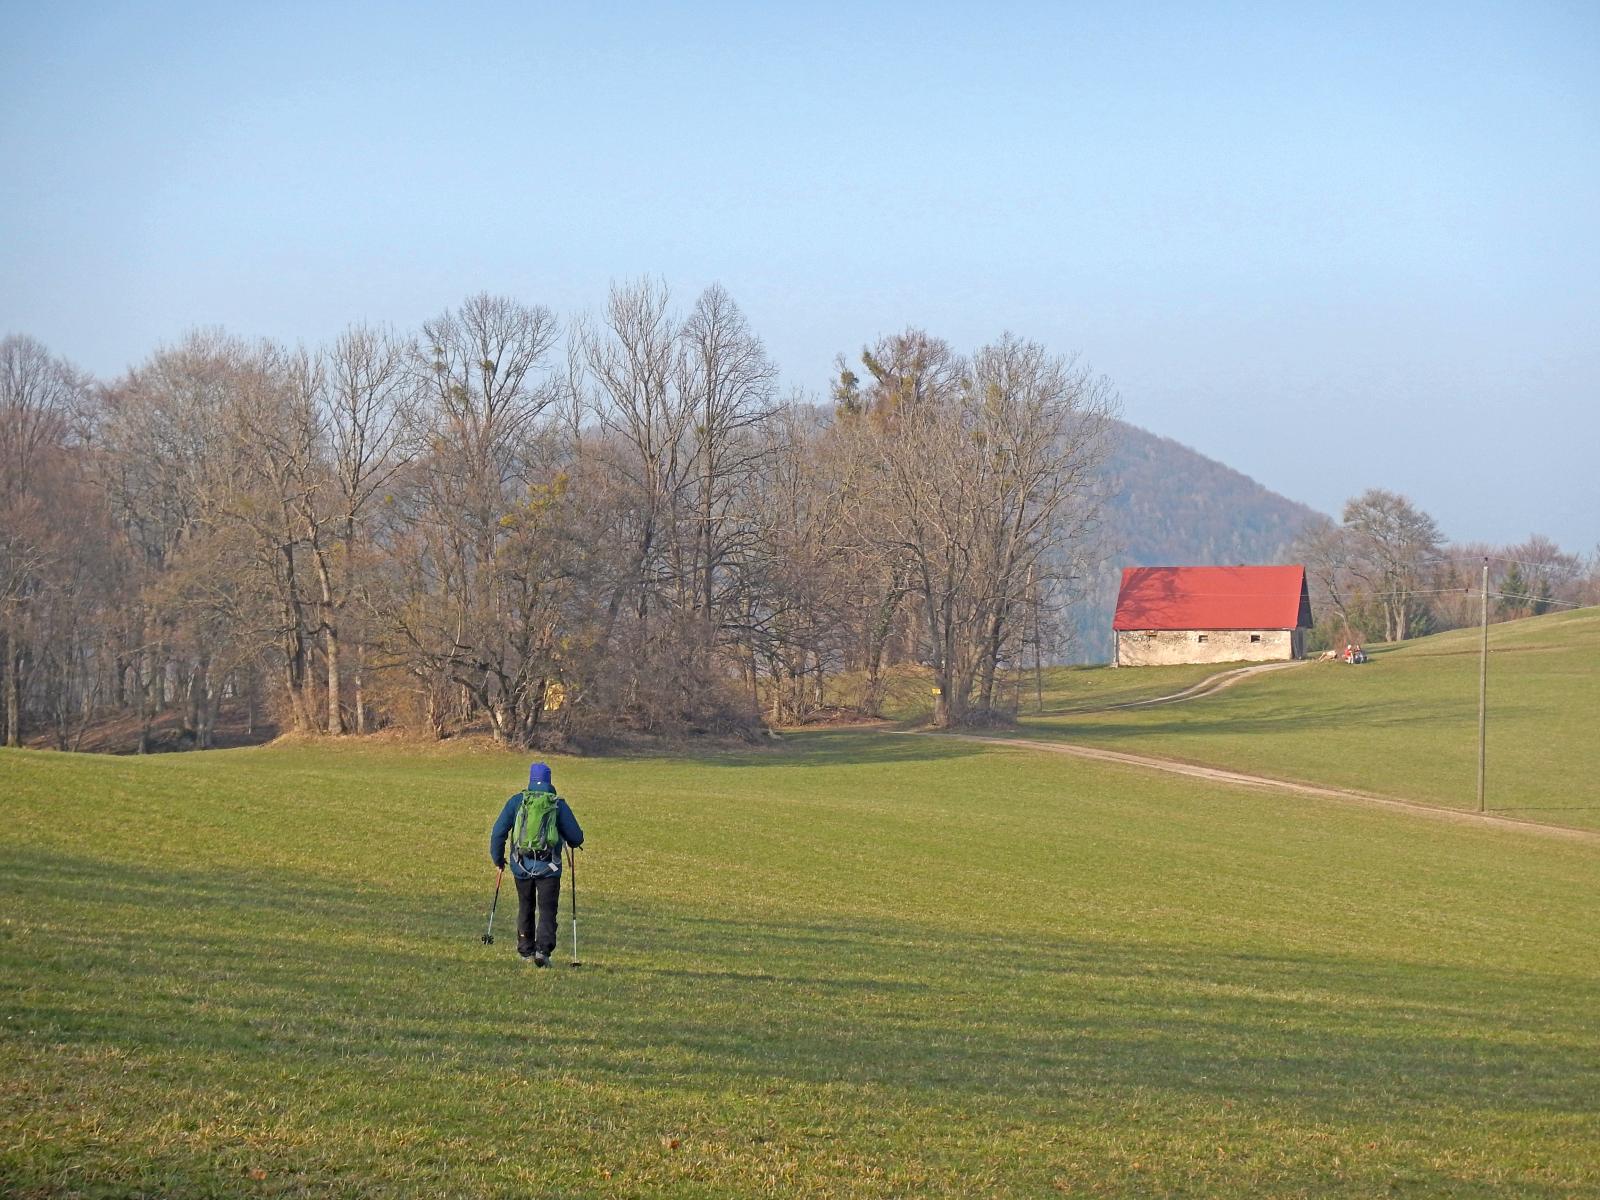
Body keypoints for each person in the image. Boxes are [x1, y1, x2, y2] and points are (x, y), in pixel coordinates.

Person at [489, 762, 584, 967]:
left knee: (526, 906)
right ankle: (543, 951)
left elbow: (498, 833)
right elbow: (576, 837)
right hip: (549, 868)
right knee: (547, 909)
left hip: (521, 865)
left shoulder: (517, 801)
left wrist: (498, 859)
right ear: (549, 780)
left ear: (530, 780)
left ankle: (526, 951)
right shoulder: (557, 804)